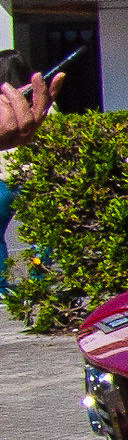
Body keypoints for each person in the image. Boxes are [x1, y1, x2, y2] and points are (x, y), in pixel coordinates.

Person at [0, 50, 46, 296]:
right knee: (42, 234)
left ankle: (1, 285)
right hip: (36, 178)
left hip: (5, 179)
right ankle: (40, 278)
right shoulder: (42, 102)